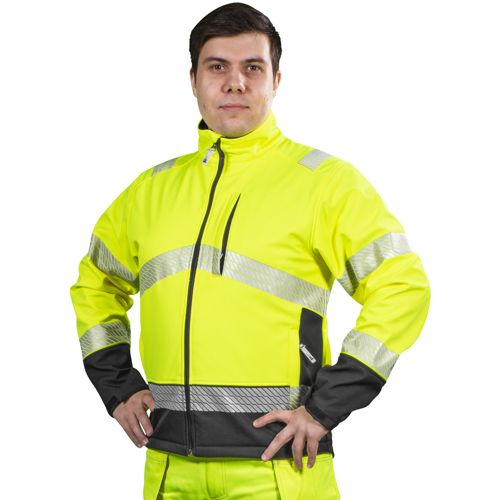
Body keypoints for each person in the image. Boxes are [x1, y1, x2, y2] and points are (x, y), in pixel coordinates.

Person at [69, 3, 431, 498]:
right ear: (193, 80)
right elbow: (95, 285)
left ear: (276, 80)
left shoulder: (326, 184)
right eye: (217, 66)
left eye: (253, 68)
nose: (235, 83)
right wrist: (118, 387)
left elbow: (402, 287)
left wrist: (325, 407)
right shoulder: (149, 192)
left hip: (278, 468)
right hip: (169, 466)